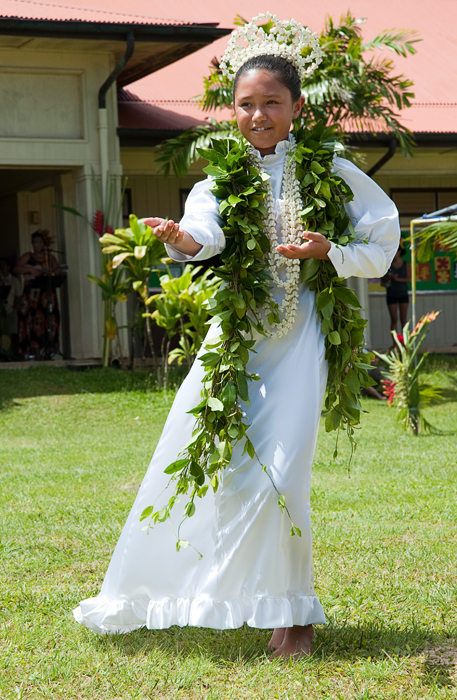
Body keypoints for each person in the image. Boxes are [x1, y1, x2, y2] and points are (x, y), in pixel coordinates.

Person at [74, 15, 400, 658]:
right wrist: (180, 239)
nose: (258, 116)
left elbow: (382, 237)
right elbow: (207, 235)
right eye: (246, 105)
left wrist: (328, 247)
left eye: (272, 102)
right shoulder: (218, 179)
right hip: (236, 348)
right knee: (225, 475)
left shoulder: (332, 169)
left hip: (300, 342)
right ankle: (214, 596)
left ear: (297, 106)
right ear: (233, 111)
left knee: (287, 473)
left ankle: (294, 616)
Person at [14, 231, 61, 360]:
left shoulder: (49, 257)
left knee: (49, 320)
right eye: (35, 243)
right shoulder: (28, 256)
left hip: (46, 295)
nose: (38, 245)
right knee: (31, 321)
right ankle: (32, 352)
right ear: (32, 244)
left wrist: (52, 272)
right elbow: (17, 268)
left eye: (40, 242)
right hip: (32, 296)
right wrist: (31, 270)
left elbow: (58, 271)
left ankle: (48, 349)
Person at [384, 245, 411, 334]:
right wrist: (390, 277)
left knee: (403, 318)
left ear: (400, 252)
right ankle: (395, 343)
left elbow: (409, 279)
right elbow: (382, 280)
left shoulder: (406, 264)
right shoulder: (388, 265)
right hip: (391, 293)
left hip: (403, 292)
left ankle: (405, 342)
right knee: (394, 319)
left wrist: (397, 279)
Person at [0, 257, 22, 359]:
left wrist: (15, 308)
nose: (2, 266)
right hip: (1, 311)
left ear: (9, 267)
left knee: (13, 332)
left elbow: (18, 295)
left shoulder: (14, 280)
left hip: (10, 310)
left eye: (4, 264)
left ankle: (13, 354)